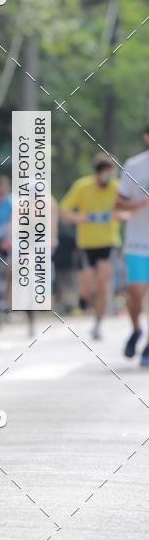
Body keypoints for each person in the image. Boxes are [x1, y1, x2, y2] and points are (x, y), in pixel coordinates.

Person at [60, 154, 121, 340]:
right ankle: (85, 300)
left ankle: (98, 323)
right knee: (89, 287)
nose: (108, 177)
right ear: (97, 174)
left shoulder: (117, 188)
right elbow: (64, 210)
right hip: (86, 245)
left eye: (111, 173)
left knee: (103, 283)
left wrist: (123, 215)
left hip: (109, 243)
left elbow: (128, 208)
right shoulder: (82, 186)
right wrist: (80, 218)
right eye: (105, 173)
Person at [116, 124, 149, 365]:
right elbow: (119, 204)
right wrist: (138, 206)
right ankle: (137, 329)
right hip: (138, 241)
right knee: (135, 292)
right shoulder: (134, 165)